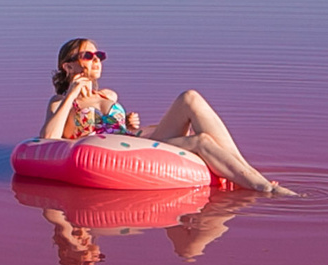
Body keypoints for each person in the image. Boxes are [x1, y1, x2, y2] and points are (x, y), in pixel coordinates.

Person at [39, 38, 293, 195]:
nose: (96, 61)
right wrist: (72, 94)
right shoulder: (60, 103)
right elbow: (48, 138)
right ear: (68, 66)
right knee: (201, 141)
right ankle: (265, 188)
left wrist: (129, 125)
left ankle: (248, 171)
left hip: (136, 142)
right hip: (109, 153)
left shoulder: (109, 95)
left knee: (190, 97)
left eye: (99, 56)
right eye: (88, 56)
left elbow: (119, 133)